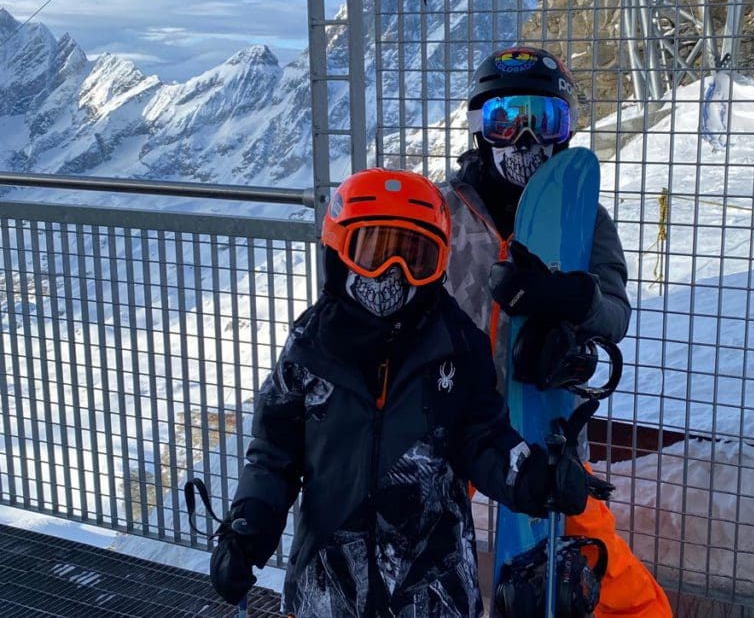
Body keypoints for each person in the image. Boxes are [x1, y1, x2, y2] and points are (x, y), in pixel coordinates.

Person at [207, 168, 605, 617]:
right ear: (339, 253)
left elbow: (484, 438)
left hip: (434, 592)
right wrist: (247, 532)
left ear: (438, 267)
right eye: (372, 252)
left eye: (414, 258)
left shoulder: (454, 345)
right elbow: (273, 454)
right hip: (328, 590)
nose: (391, 275)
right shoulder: (311, 347)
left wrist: (533, 476)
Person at [441, 47, 673, 617]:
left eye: (543, 121)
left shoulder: (583, 216)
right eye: (505, 121)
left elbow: (615, 314)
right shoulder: (445, 211)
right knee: (427, 541)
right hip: (454, 421)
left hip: (547, 425)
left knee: (589, 553)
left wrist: (579, 300)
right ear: (479, 130)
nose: (524, 141)